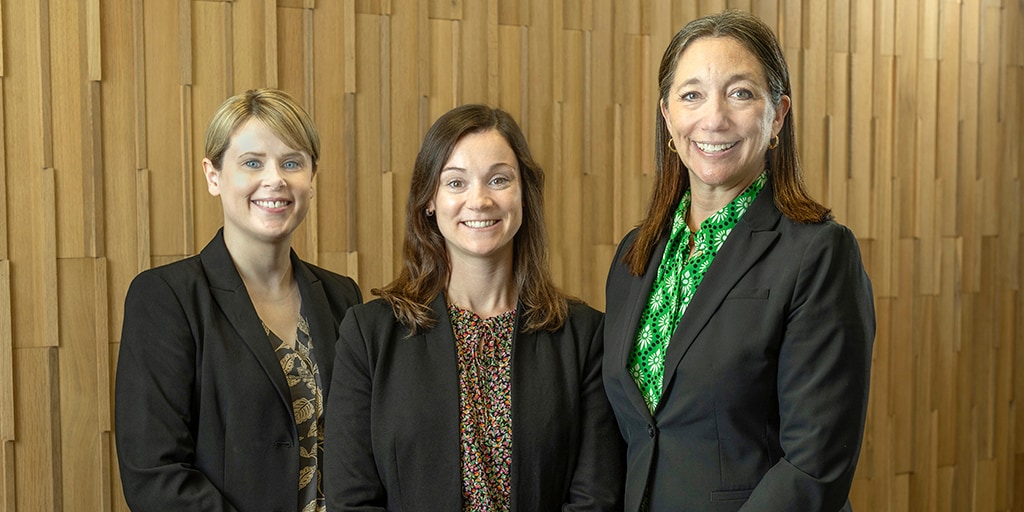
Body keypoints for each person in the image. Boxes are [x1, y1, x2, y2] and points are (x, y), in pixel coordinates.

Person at [603, 10, 875, 512]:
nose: (714, 118)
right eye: (692, 95)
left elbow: (814, 466)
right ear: (667, 116)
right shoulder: (634, 256)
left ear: (778, 115)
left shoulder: (818, 253)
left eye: (741, 93)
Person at [324, 104, 624, 511]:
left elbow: (595, 499)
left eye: (499, 179)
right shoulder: (368, 335)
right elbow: (352, 500)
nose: (479, 200)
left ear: (523, 195)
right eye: (456, 183)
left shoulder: (584, 337)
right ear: (429, 199)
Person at [115, 88, 362, 512]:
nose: (276, 180)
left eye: (291, 162)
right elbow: (156, 475)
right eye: (252, 162)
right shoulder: (166, 298)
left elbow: (361, 449)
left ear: (312, 177)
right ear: (213, 176)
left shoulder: (343, 296)